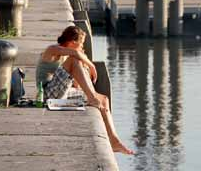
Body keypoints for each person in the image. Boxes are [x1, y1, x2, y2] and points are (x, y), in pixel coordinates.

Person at [36, 25, 134, 155]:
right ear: (72, 42)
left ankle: (114, 141)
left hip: (59, 94)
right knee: (75, 60)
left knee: (104, 99)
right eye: (81, 44)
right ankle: (92, 98)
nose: (82, 47)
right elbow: (75, 53)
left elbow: (75, 85)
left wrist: (83, 68)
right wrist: (91, 65)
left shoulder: (67, 57)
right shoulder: (52, 50)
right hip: (47, 94)